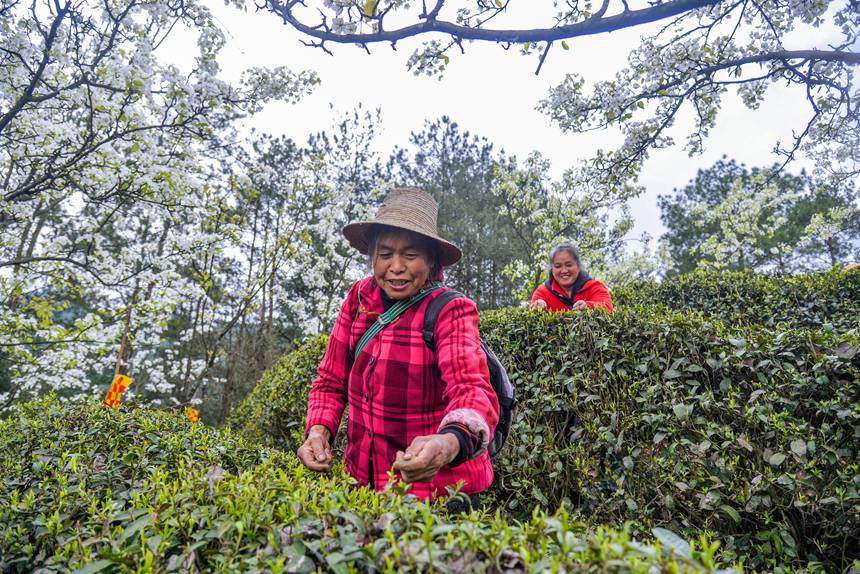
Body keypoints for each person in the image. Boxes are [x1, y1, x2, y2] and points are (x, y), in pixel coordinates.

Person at [296, 187, 499, 505]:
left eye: (410, 254)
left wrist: (447, 443)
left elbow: (470, 389)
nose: (397, 266)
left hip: (439, 492)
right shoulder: (359, 299)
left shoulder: (451, 309)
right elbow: (330, 380)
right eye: (386, 254)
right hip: (365, 485)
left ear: (431, 260)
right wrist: (319, 432)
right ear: (372, 257)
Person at [529, 244, 613, 312]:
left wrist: (587, 307)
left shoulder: (594, 286)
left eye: (569, 265)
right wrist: (537, 307)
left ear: (578, 266)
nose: (564, 270)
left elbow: (607, 307)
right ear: (552, 269)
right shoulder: (542, 292)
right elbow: (531, 318)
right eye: (558, 266)